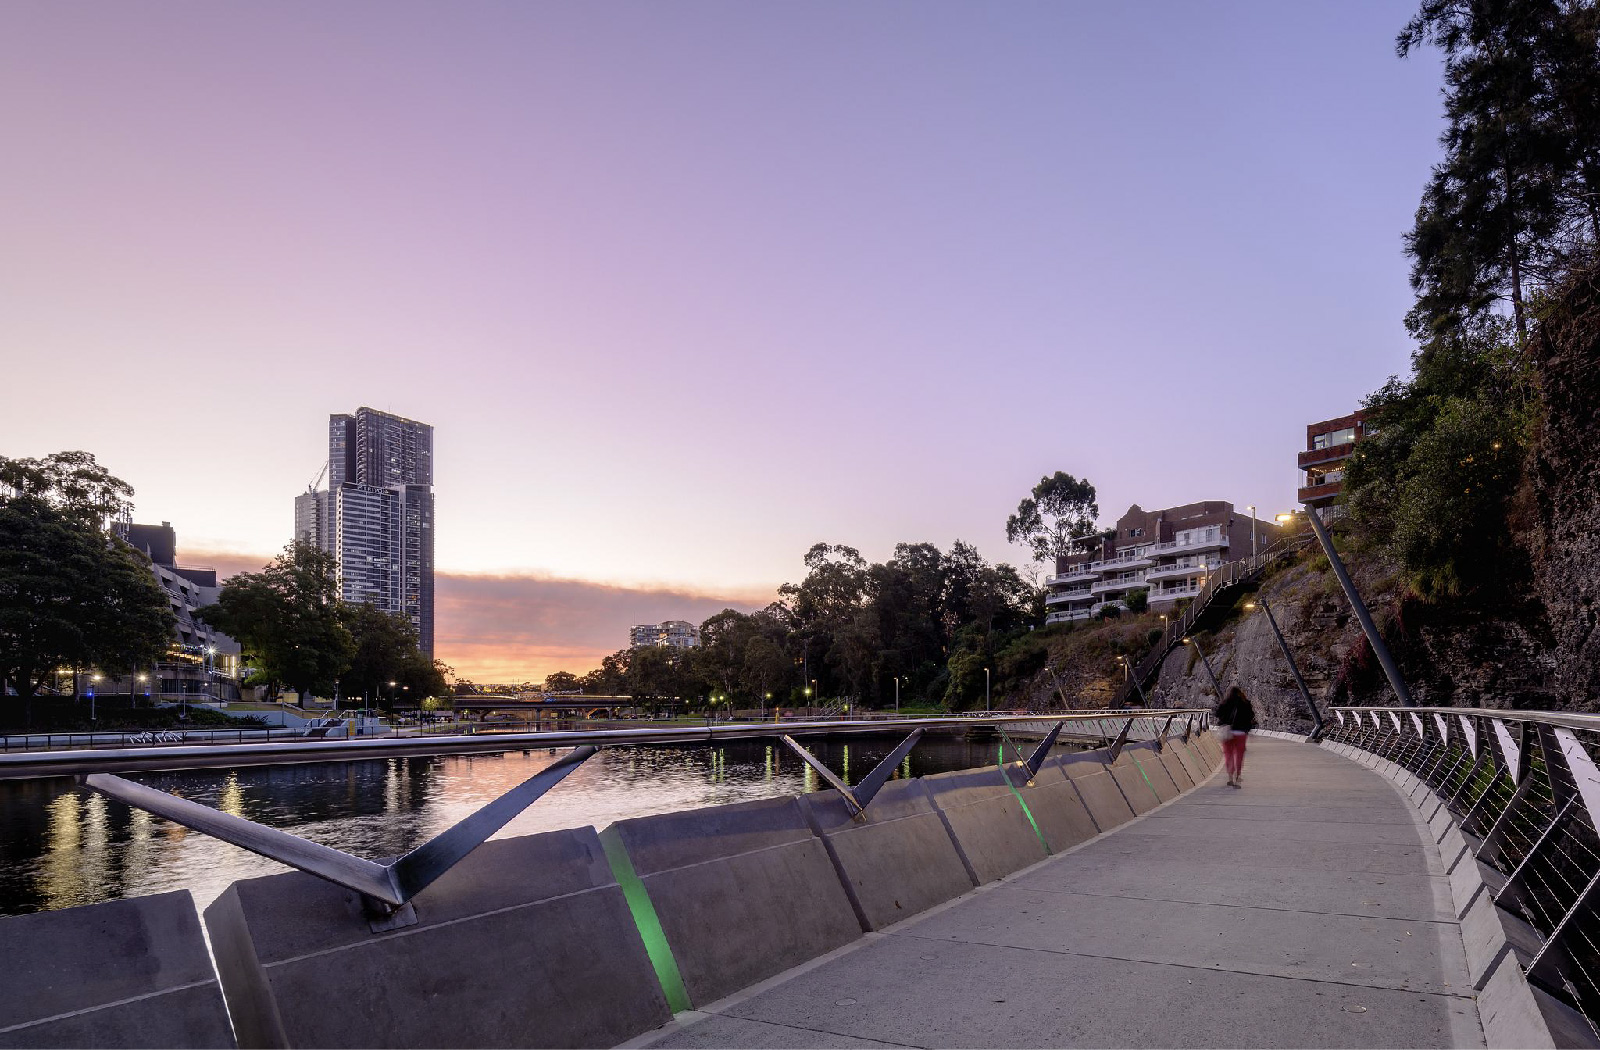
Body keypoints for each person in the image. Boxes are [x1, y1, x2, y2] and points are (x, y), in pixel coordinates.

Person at [1215, 685, 1257, 788]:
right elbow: (1251, 716)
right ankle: (1238, 777)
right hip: (1241, 733)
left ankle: (1230, 777)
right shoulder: (1245, 703)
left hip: (1227, 733)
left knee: (1228, 755)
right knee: (1239, 755)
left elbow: (1217, 714)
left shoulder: (1225, 702)